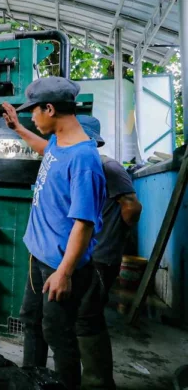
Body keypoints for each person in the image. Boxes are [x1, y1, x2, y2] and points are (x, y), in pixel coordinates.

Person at [2, 77, 106, 390]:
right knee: (32, 323)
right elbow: (43, 149)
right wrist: (18, 129)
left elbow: (83, 224)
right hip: (39, 257)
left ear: (50, 108)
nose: (32, 117)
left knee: (58, 335)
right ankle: (30, 381)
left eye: (34, 112)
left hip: (59, 266)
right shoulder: (59, 143)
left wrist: (64, 272)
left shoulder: (84, 160)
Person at [74, 116, 142, 390]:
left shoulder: (109, 167)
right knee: (82, 316)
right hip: (88, 254)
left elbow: (132, 208)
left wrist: (111, 238)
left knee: (88, 318)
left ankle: (97, 383)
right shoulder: (84, 166)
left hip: (101, 256)